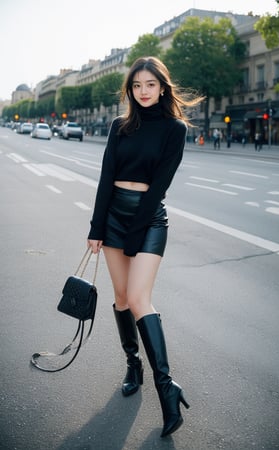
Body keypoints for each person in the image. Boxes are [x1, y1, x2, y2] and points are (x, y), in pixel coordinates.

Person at [87, 56, 203, 438]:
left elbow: (160, 187)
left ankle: (167, 388)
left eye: (150, 84)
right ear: (130, 90)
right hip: (114, 217)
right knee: (120, 297)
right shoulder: (120, 126)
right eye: (136, 86)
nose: (143, 91)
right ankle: (133, 364)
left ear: (163, 86)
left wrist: (136, 232)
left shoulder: (175, 129)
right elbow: (106, 178)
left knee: (139, 298)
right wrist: (97, 227)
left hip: (149, 219)